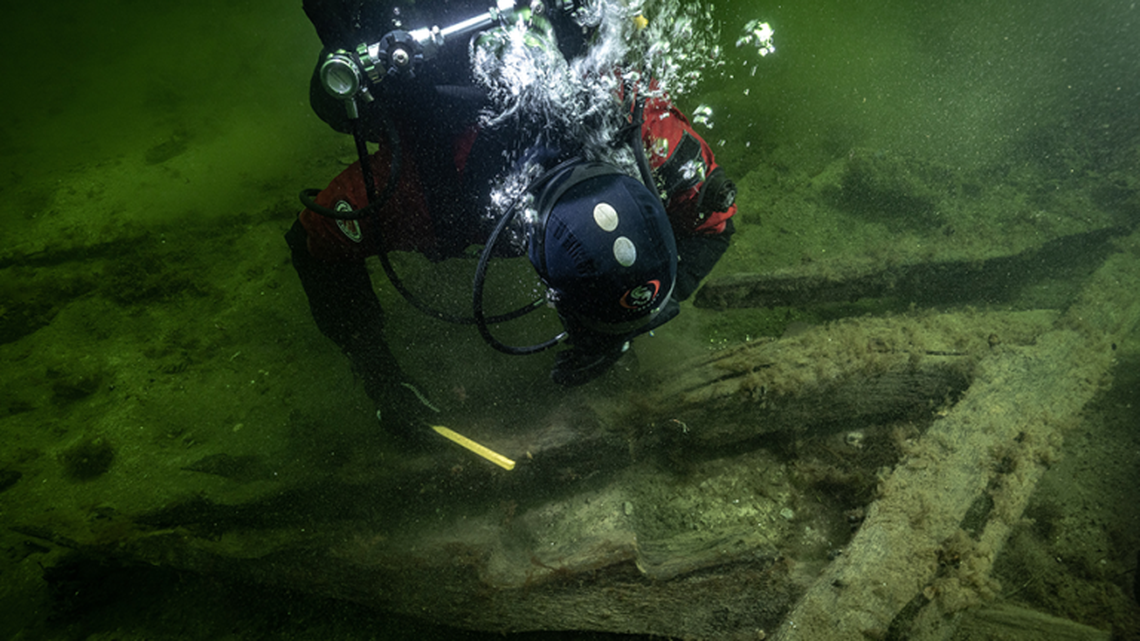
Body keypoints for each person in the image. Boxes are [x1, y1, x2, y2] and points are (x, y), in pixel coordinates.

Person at [286, 0, 737, 441]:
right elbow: (310, 242)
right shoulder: (429, 194)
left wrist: (634, 320)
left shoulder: (641, 135)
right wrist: (381, 378)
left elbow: (716, 225)